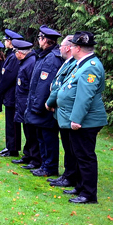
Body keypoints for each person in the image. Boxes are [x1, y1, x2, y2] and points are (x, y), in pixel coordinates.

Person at [51, 31, 107, 204]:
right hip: (83, 120)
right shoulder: (81, 64)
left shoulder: (90, 66)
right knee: (78, 154)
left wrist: (76, 119)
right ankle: (81, 187)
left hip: (86, 121)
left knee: (85, 156)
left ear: (79, 48)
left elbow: (85, 96)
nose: (70, 48)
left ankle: (89, 194)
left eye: (73, 46)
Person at [25, 25, 64, 177]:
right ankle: (45, 164)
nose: (38, 41)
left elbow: (44, 85)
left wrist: (38, 106)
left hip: (45, 107)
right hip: (40, 105)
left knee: (48, 138)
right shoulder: (44, 56)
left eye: (40, 38)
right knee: (42, 137)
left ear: (46, 41)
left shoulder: (51, 59)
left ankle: (50, 167)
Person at [45, 35, 76, 188]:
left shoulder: (74, 64)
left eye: (61, 46)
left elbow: (59, 87)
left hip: (67, 112)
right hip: (60, 110)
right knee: (67, 146)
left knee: (71, 148)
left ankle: (70, 176)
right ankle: (67, 175)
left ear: (68, 47)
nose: (59, 49)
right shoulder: (67, 63)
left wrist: (50, 102)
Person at [10, 39, 41, 170]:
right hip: (22, 101)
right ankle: (27, 155)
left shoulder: (30, 63)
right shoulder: (25, 62)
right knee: (26, 130)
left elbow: (31, 86)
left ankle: (35, 159)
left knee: (31, 132)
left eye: (15, 51)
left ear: (20, 53)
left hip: (27, 102)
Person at [0, 29, 24, 157]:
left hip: (11, 94)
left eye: (7, 41)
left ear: (11, 42)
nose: (5, 43)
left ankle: (12, 148)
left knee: (12, 123)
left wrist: (0, 89)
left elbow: (8, 76)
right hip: (9, 94)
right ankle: (9, 146)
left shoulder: (13, 57)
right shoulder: (11, 55)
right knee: (9, 122)